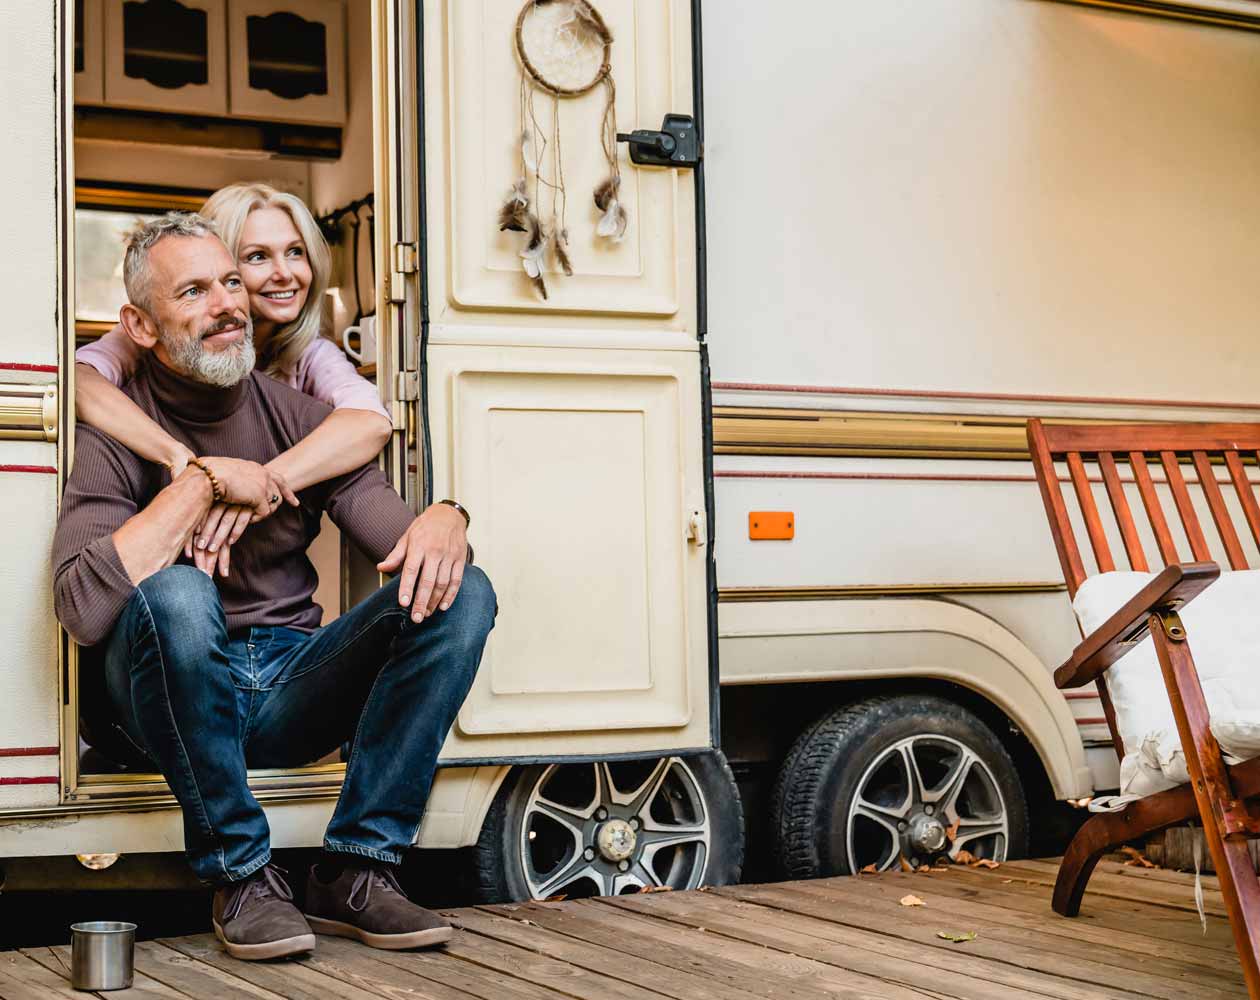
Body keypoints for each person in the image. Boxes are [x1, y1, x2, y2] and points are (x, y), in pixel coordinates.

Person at [51, 212, 496, 961]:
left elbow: (402, 544)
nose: (227, 303)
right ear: (142, 325)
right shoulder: (114, 431)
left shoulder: (297, 419)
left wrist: (450, 518)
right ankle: (243, 876)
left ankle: (358, 868)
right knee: (180, 595)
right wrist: (196, 484)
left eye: (231, 282)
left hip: (289, 684)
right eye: (193, 291)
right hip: (164, 701)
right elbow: (83, 609)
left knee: (462, 590)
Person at [76, 182, 391, 575]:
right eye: (258, 257)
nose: (285, 273)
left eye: (296, 252)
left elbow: (370, 421)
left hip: (257, 555)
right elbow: (78, 383)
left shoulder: (308, 353)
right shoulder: (148, 336)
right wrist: (183, 462)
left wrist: (260, 481)